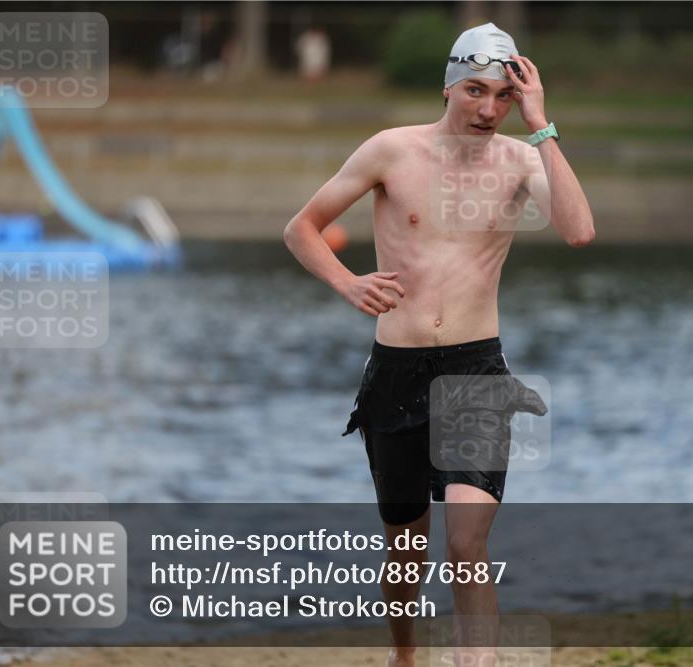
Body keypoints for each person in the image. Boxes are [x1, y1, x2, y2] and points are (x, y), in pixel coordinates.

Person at [283, 21, 593, 667]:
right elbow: (302, 228)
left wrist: (541, 125)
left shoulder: (522, 157)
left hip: (476, 369)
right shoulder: (391, 151)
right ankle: (405, 654)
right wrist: (347, 281)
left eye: (503, 96)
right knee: (406, 549)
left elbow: (578, 229)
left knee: (467, 541)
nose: (488, 109)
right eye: (476, 90)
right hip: (395, 369)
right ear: (448, 87)